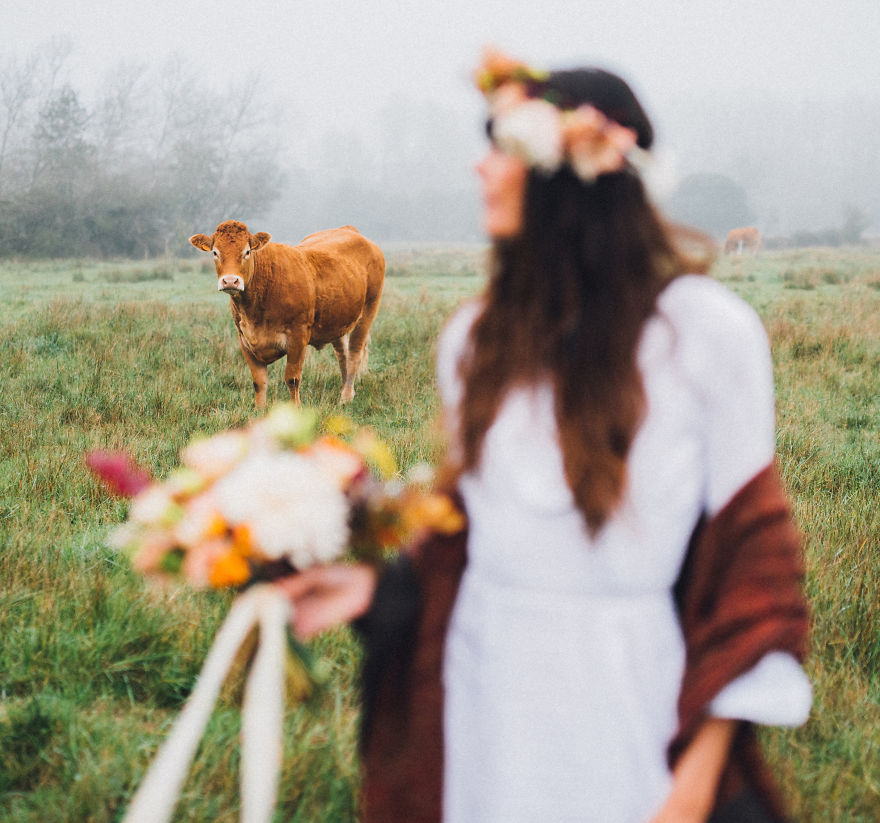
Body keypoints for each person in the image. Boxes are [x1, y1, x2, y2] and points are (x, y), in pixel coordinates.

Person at [276, 50, 811, 823]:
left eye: (500, 144)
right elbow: (468, 544)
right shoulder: (474, 340)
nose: (479, 167)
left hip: (632, 703)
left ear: (571, 166)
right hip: (488, 708)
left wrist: (691, 790)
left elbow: (753, 573)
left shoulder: (708, 335)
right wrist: (371, 584)